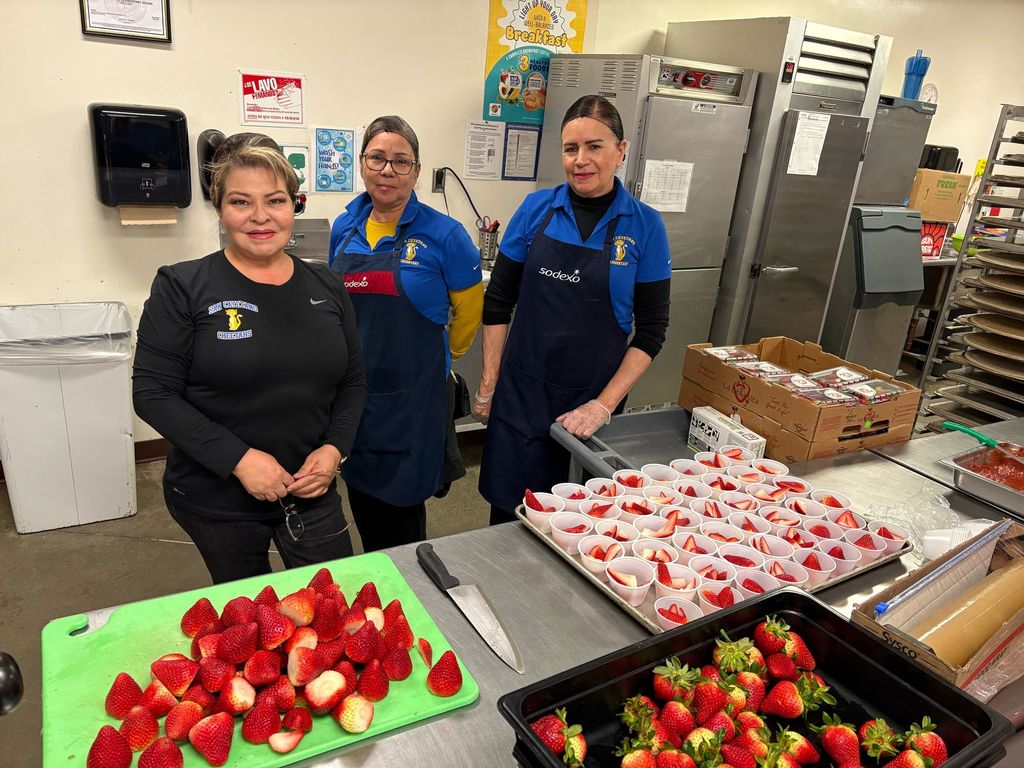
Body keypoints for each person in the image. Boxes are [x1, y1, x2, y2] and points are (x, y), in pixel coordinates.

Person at [133, 133, 366, 584]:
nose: (260, 216)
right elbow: (153, 394)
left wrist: (335, 449)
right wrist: (239, 460)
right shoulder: (182, 287)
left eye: (275, 200)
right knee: (248, 614)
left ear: (293, 205)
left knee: (333, 602)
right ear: (220, 209)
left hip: (311, 488)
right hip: (217, 498)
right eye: (241, 202)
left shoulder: (328, 286)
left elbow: (353, 382)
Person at [475, 95, 671, 524]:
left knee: (581, 524)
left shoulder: (645, 225)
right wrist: (489, 384)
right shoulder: (536, 210)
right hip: (520, 396)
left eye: (594, 146)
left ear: (621, 150)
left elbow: (652, 330)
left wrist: (603, 405)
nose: (580, 160)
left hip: (590, 405)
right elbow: (499, 300)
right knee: (508, 520)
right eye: (570, 148)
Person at [329, 116, 483, 551]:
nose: (388, 170)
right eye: (377, 158)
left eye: (401, 161)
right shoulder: (344, 227)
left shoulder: (445, 235)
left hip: (413, 400)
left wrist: (439, 361)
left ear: (416, 171)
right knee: (361, 495)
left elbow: (469, 314)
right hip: (356, 394)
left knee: (400, 516)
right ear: (362, 163)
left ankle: (405, 584)